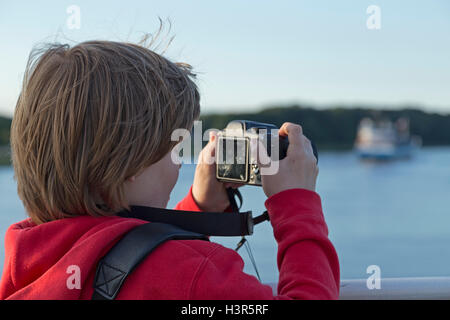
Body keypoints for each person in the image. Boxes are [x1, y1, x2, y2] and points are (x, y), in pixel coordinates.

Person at [0, 37, 339, 300]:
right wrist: (297, 205)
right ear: (133, 162)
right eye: (175, 149)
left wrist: (199, 209)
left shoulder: (28, 260)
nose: (179, 163)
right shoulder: (193, 275)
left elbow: (118, 253)